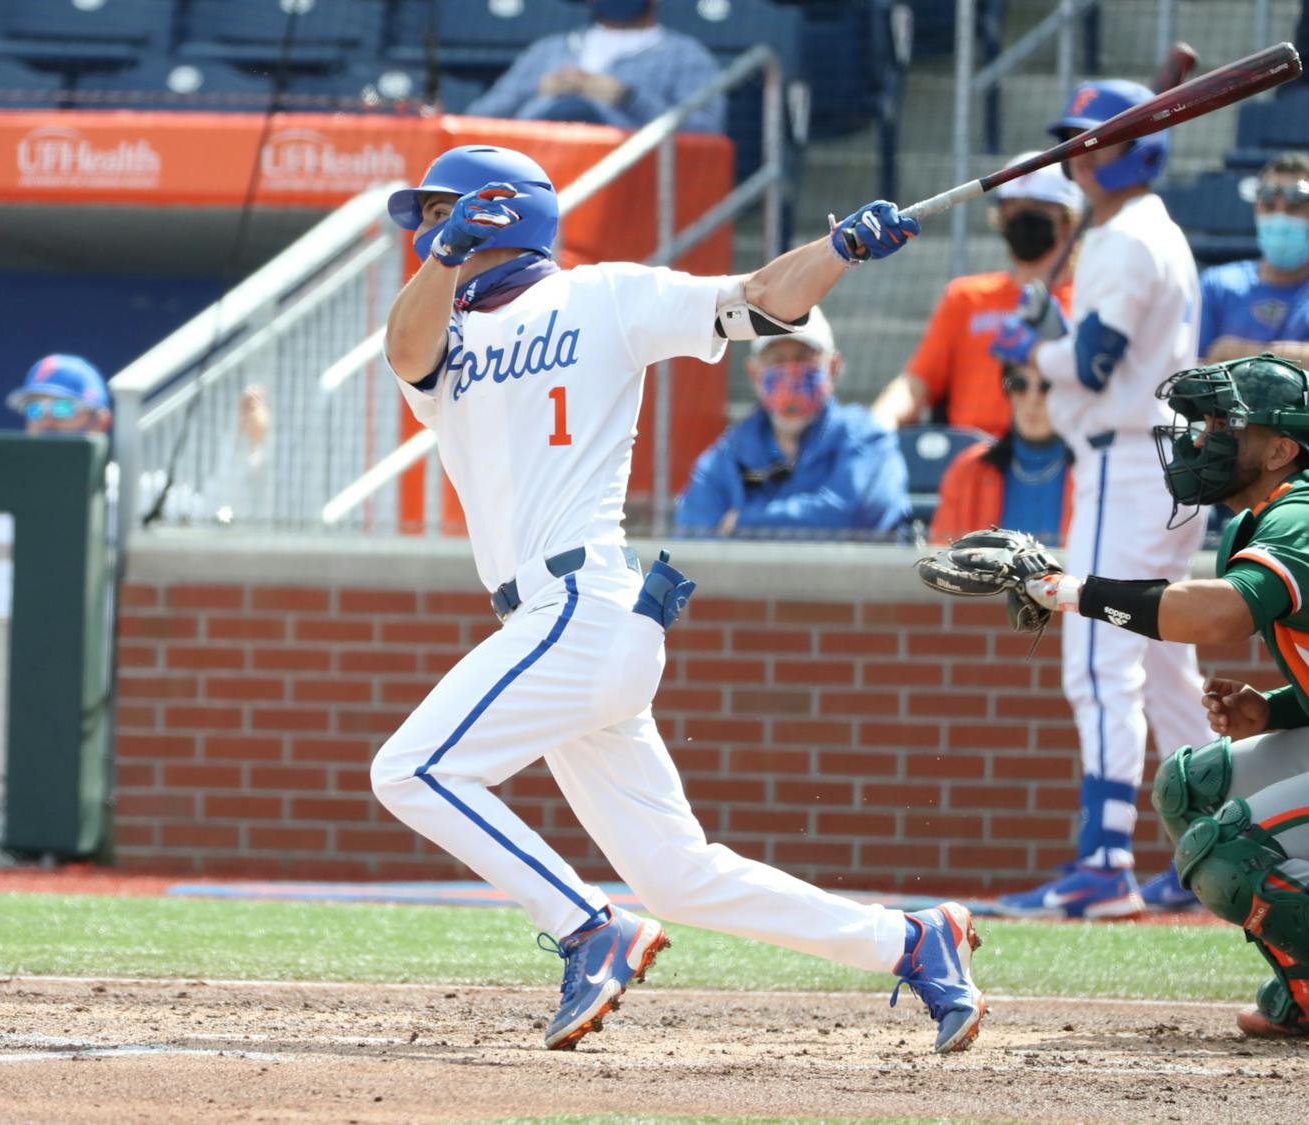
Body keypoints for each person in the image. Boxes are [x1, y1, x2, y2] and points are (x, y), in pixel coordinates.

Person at [370, 143, 986, 1055]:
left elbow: (763, 300)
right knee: (678, 875)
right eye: (422, 216)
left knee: (412, 769)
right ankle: (910, 940)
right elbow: (404, 350)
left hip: (584, 606)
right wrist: (444, 254)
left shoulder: (605, 295)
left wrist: (842, 252)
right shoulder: (446, 331)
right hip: (553, 629)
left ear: (505, 210)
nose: (422, 225)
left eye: (436, 209)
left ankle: (589, 927)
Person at [998, 353, 1309, 1036]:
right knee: (1190, 786)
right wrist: (1276, 708)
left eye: (1229, 423)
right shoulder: (1265, 514)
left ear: (1282, 448)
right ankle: (1305, 984)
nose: (1204, 437)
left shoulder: (1301, 512)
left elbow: (1220, 614)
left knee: (1223, 851)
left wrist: (1072, 591)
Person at [987, 79, 1213, 917]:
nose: (1082, 154)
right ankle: (1225, 851)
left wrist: (1033, 351)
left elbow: (1090, 366)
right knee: (1164, 665)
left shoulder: (1124, 240)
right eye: (1077, 140)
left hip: (1127, 459)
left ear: (1140, 148)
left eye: (1099, 140)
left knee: (1097, 659)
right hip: (1167, 464)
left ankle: (1104, 860)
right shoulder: (1154, 231)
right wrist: (1047, 340)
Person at [871, 155, 1084, 435]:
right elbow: (917, 383)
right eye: (1011, 210)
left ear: (1068, 221)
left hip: (1061, 456)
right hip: (971, 460)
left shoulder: (1089, 299)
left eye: (1035, 210)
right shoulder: (966, 297)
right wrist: (876, 424)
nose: (1020, 219)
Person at [673, 307, 909, 538]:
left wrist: (744, 522)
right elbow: (694, 533)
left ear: (833, 367)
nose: (791, 373)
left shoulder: (867, 437)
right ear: (754, 373)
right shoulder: (729, 453)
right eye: (778, 360)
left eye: (803, 358)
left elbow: (856, 514)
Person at [6, 354, 273, 526]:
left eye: (62, 409)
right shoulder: (1, 492)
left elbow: (216, 516)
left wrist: (247, 445)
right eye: (35, 409)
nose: (46, 421)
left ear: (100, 422)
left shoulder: (135, 493)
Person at [463, 0, 724, 134]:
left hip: (627, 182)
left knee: (580, 110)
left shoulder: (686, 55)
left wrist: (628, 98)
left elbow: (707, 130)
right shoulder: (548, 50)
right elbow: (478, 117)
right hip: (536, 176)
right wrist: (537, 91)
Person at [928, 369, 1071, 545]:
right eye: (1019, 385)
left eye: (1047, 387)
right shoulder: (968, 469)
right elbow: (942, 557)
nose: (1032, 399)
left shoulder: (1095, 471)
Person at [1196, 152, 1309, 366]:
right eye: (1269, 206)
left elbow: (1216, 358)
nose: (1280, 217)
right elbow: (1190, 370)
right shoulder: (1217, 286)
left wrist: (1238, 352)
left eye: (1294, 208)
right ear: (1257, 209)